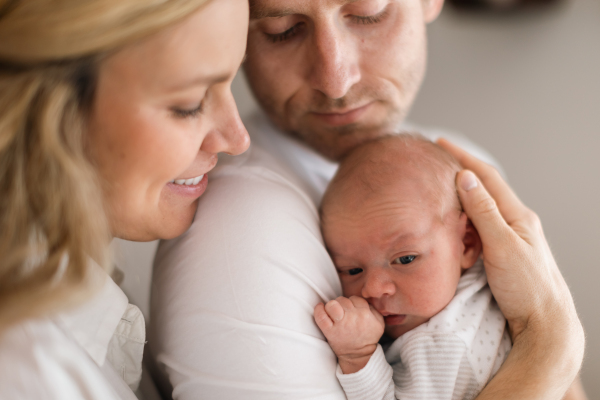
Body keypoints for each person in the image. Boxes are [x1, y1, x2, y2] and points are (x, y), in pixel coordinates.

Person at [149, 0, 585, 399]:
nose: (336, 80)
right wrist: (550, 344)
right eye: (282, 29)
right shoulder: (240, 226)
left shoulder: (460, 169)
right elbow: (549, 351)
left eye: (368, 13)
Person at [0, 0, 250, 398]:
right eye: (188, 105)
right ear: (48, 103)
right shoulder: (28, 371)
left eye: (232, 81)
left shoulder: (82, 295)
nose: (238, 139)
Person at [315, 134, 512, 400]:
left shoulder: (441, 348)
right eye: (352, 270)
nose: (373, 289)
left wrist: (358, 356)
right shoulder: (479, 276)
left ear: (466, 243)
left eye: (406, 259)